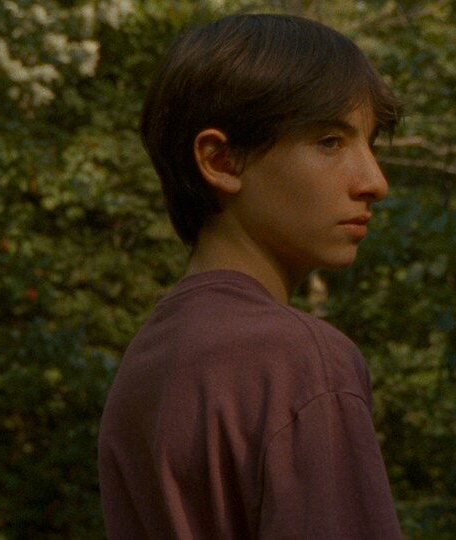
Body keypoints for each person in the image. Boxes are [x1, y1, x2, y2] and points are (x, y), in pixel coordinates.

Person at [99, 13, 403, 539]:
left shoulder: (146, 363)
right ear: (222, 160)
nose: (375, 182)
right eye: (331, 141)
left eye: (371, 144)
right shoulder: (300, 360)